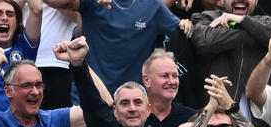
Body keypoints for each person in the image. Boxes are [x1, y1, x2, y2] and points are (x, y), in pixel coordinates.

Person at [190, 0, 271, 118]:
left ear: (256, 1)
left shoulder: (266, 20)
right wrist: (256, 32)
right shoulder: (206, 17)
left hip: (262, 121)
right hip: (217, 120)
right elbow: (205, 41)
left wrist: (242, 21)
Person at [42, 0, 180, 92]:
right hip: (90, 98)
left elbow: (183, 33)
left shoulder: (152, 5)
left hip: (131, 102)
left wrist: (186, 25)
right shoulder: (94, 2)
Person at [141, 49, 195, 127]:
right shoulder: (134, 117)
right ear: (146, 80)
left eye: (175, 76)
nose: (172, 81)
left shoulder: (191, 118)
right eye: (165, 76)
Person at [0, 0, 42, 110]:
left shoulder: (24, 45)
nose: (4, 18)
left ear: (17, 22)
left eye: (10, 14)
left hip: (19, 118)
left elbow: (37, 10)